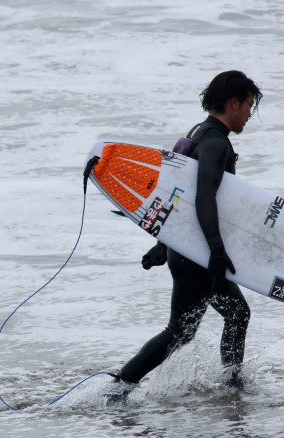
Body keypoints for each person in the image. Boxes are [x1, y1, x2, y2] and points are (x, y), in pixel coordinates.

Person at [111, 71, 262, 400]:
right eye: (249, 105)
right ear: (233, 102)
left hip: (189, 246)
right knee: (180, 330)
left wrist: (163, 242)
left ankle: (232, 386)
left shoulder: (198, 132)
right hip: (198, 252)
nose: (250, 113)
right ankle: (118, 388)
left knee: (237, 313)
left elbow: (174, 191)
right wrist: (216, 250)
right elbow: (203, 197)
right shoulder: (216, 143)